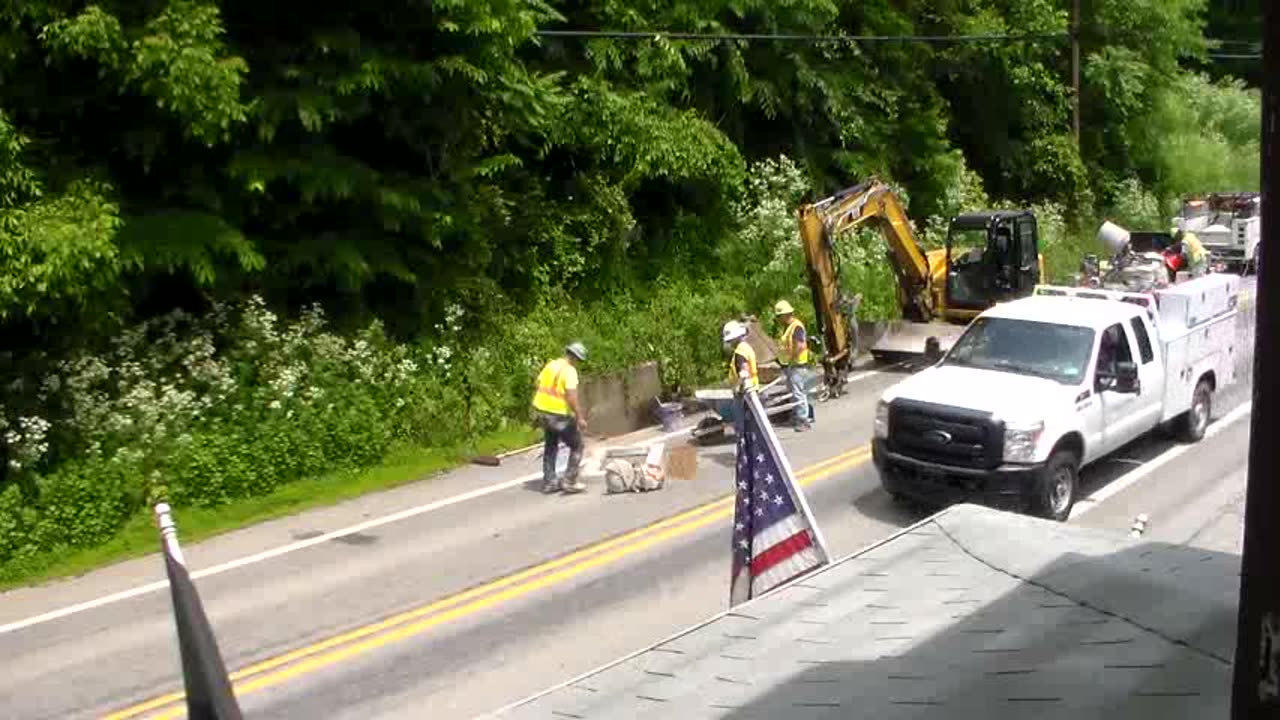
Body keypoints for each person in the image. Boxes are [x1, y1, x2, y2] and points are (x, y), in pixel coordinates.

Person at [531, 342, 589, 494]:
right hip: (558, 415)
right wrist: (579, 417)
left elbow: (538, 383)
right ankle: (569, 481)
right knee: (578, 445)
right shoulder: (570, 372)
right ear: (576, 357)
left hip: (541, 412)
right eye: (579, 360)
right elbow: (571, 395)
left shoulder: (552, 365)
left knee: (551, 446)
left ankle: (549, 482)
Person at [773, 300, 814, 432]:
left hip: (797, 365)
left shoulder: (796, 327)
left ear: (785, 314)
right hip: (791, 365)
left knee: (798, 393)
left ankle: (803, 420)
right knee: (794, 392)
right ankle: (797, 416)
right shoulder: (788, 327)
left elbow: (800, 346)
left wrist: (791, 359)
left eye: (779, 316)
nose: (778, 319)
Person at [722, 320, 758, 393]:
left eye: (730, 340)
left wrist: (738, 386)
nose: (730, 342)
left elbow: (743, 373)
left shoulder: (740, 351)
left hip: (746, 389)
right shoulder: (745, 347)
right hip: (751, 386)